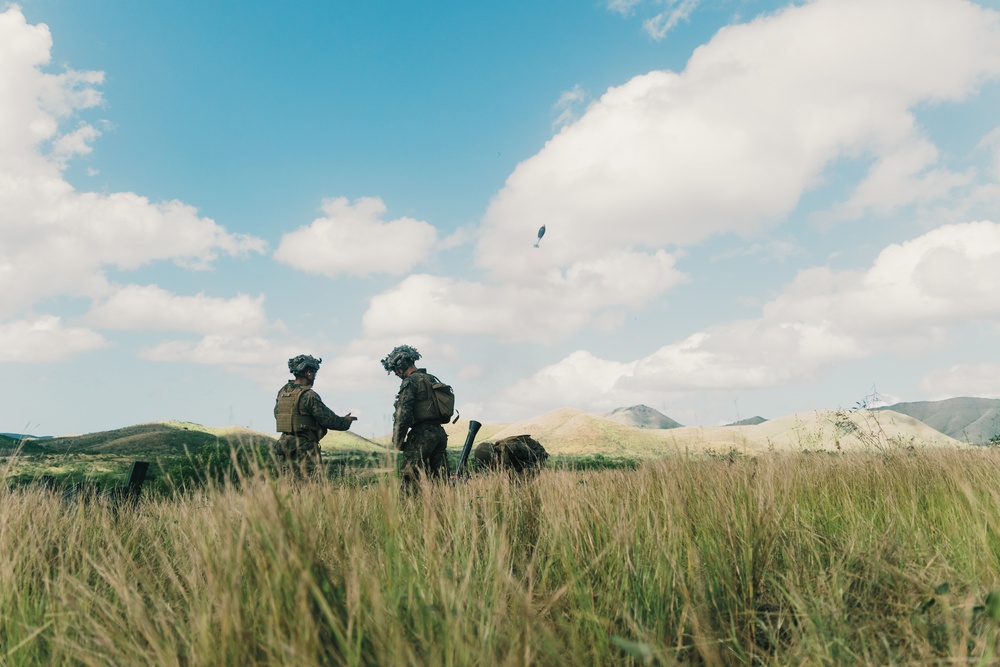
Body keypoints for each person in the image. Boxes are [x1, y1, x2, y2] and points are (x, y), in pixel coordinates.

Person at [274, 354, 357, 474]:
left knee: (288, 486)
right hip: (304, 448)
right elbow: (329, 420)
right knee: (312, 486)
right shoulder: (309, 395)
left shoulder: (282, 392)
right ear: (309, 373)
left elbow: (277, 414)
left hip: (284, 446)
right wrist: (346, 421)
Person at [381, 345, 448, 491]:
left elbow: (403, 414)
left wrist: (397, 441)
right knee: (440, 483)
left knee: (410, 484)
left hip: (421, 435)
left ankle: (408, 513)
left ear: (401, 365)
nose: (395, 373)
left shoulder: (410, 382)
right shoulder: (430, 379)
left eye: (394, 369)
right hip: (439, 434)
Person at [472, 434, 549, 479]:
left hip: (537, 453)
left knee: (521, 481)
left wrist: (520, 471)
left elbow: (532, 456)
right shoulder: (500, 453)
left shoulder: (512, 448)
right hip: (524, 457)